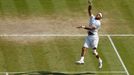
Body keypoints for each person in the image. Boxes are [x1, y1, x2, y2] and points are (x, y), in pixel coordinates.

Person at [76, 0, 103, 69]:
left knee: (94, 52)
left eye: (99, 15)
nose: (98, 14)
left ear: (100, 18)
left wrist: (83, 26)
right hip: (89, 36)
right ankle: (82, 60)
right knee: (84, 48)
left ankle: (100, 61)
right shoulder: (93, 17)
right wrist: (90, 4)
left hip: (94, 37)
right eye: (98, 14)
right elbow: (89, 10)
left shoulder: (98, 23)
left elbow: (91, 28)